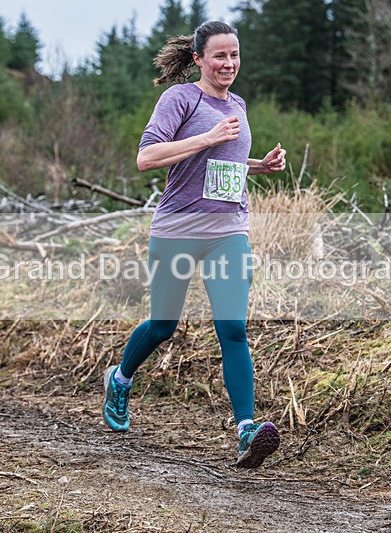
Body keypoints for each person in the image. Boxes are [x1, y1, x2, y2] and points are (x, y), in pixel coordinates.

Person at [102, 20, 287, 469]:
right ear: (199, 59)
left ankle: (246, 430)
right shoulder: (179, 98)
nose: (228, 63)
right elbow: (147, 157)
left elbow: (221, 162)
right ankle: (121, 379)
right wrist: (207, 136)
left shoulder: (238, 104)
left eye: (235, 55)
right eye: (220, 55)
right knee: (164, 325)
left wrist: (258, 165)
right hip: (177, 229)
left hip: (228, 230)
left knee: (233, 329)